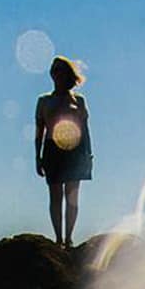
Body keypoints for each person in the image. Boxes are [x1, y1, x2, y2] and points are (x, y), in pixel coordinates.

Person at [34, 56, 92, 247]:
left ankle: (69, 238)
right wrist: (37, 157)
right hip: (52, 148)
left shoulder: (79, 101)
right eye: (54, 70)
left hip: (75, 149)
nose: (57, 74)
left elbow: (85, 130)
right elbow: (39, 132)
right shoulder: (44, 101)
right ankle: (58, 238)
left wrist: (88, 154)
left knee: (72, 196)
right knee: (55, 196)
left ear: (68, 75)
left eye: (61, 70)